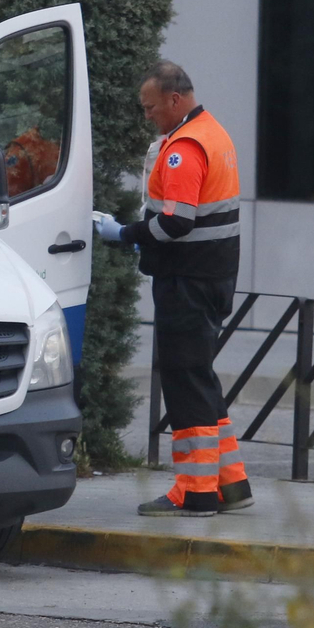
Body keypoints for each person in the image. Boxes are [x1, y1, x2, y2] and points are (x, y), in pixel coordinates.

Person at [94, 62, 252, 516]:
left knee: (184, 381)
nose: (147, 116)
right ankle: (232, 485)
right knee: (200, 376)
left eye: (150, 108)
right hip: (213, 276)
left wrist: (124, 233)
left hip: (187, 281)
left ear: (174, 99)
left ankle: (196, 492)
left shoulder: (184, 147)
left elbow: (177, 222)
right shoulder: (213, 133)